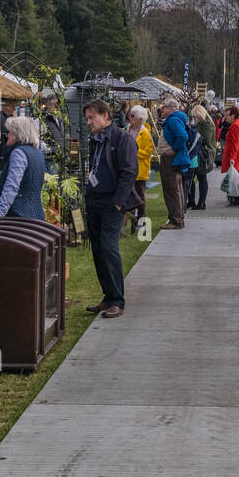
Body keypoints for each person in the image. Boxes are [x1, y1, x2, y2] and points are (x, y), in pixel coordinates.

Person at [82, 99, 139, 318]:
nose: (88, 122)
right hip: (95, 199)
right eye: (87, 118)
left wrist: (118, 202)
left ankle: (117, 299)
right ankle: (108, 297)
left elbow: (129, 172)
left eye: (91, 118)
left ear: (105, 115)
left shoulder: (121, 138)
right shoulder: (96, 139)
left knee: (108, 247)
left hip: (111, 201)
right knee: (97, 249)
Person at [0, 115, 46, 222]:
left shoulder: (19, 153)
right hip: (37, 216)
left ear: (18, 134)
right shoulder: (38, 154)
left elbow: (12, 186)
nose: (7, 135)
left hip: (18, 218)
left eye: (9, 132)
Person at [157, 98, 191, 228]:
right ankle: (178, 217)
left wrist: (173, 149)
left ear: (171, 108)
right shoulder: (176, 118)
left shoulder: (172, 119)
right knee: (176, 188)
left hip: (170, 158)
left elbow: (182, 136)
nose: (162, 109)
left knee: (171, 189)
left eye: (164, 107)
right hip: (173, 158)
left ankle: (175, 220)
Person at [127, 105, 154, 236]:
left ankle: (141, 222)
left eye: (132, 116)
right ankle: (130, 221)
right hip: (127, 168)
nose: (129, 117)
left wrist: (134, 152)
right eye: (129, 115)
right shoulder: (128, 129)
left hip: (140, 169)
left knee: (140, 196)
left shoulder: (145, 133)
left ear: (140, 119)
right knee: (128, 195)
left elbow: (148, 152)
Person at [186, 103, 217, 210]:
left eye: (196, 116)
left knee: (201, 177)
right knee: (193, 178)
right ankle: (192, 201)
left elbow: (205, 140)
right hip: (198, 153)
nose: (195, 118)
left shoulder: (207, 124)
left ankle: (201, 202)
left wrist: (193, 138)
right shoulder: (201, 123)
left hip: (204, 154)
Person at [38, 92, 66, 174]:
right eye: (52, 104)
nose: (54, 107)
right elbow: (38, 138)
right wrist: (50, 150)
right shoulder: (43, 119)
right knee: (52, 182)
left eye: (56, 105)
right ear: (47, 105)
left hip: (60, 157)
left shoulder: (60, 119)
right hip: (49, 158)